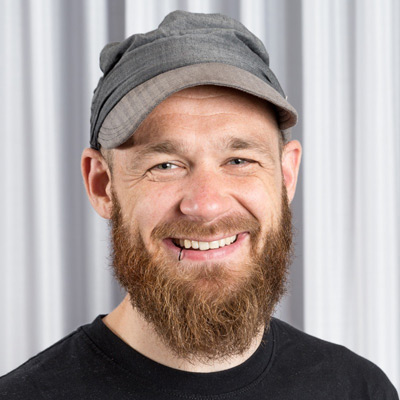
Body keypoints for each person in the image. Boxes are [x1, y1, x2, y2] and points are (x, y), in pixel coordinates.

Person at [1, 10, 398, 400]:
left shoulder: (357, 389)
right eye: (166, 165)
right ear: (102, 185)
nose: (207, 205)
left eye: (239, 161)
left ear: (286, 175)